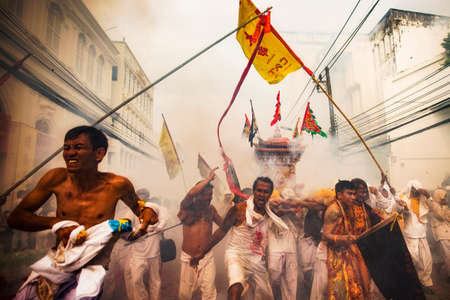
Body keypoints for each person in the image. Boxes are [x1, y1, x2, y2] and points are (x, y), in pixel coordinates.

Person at [7, 125, 158, 299]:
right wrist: (56, 223)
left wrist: (148, 212)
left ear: (99, 154)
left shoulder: (118, 185)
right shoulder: (56, 178)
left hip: (92, 269)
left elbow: (141, 209)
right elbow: (16, 218)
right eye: (66, 148)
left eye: (78, 147)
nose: (70, 153)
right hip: (58, 262)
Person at [194, 177, 288, 300]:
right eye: (259, 190)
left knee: (265, 296)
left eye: (265, 192)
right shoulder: (238, 209)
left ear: (270, 195)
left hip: (256, 259)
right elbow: (221, 231)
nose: (261, 195)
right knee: (236, 285)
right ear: (254, 191)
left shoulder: (270, 213)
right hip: (236, 254)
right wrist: (202, 252)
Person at [311, 180, 372, 300]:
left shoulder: (348, 207)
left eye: (354, 194)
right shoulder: (334, 210)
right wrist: (344, 238)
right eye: (349, 194)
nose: (353, 197)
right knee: (325, 289)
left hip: (344, 251)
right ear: (339, 195)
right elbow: (325, 235)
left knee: (350, 286)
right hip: (328, 253)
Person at [177, 167, 223, 300]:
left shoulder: (211, 210)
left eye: (210, 196)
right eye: (205, 196)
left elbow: (223, 225)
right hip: (188, 257)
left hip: (206, 256)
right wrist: (208, 179)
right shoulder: (187, 207)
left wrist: (230, 210)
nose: (209, 199)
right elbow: (191, 193)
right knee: (185, 295)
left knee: (209, 292)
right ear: (198, 194)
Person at [123, 190, 168, 300]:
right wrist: (138, 231)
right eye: (139, 197)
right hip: (138, 254)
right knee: (136, 281)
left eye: (144, 197)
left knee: (155, 282)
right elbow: (125, 227)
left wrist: (160, 227)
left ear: (148, 198)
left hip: (154, 253)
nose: (142, 199)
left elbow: (164, 221)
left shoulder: (156, 210)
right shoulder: (131, 212)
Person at [396, 180, 434, 293]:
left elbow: (432, 207)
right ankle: (415, 281)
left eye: (417, 190)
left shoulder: (423, 199)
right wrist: (403, 207)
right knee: (414, 259)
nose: (416, 192)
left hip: (422, 234)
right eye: (414, 190)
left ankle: (426, 282)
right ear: (410, 189)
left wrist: (427, 195)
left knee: (427, 260)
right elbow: (398, 210)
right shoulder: (403, 198)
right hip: (410, 234)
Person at [426, 188, 449, 282]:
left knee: (446, 256)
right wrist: (444, 206)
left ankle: (444, 273)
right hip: (441, 234)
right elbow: (441, 216)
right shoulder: (434, 205)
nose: (446, 198)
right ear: (439, 196)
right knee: (447, 256)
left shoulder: (442, 205)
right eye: (444, 196)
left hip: (446, 232)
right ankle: (447, 276)